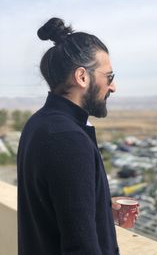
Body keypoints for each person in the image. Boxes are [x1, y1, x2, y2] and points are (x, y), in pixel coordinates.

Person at [17, 17, 120, 255]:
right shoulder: (67, 139)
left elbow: (54, 210)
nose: (113, 87)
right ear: (82, 77)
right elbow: (80, 248)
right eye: (109, 77)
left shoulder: (38, 124)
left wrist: (101, 210)